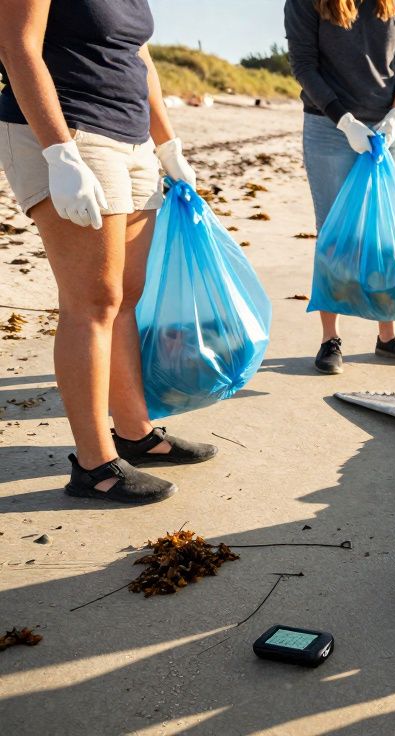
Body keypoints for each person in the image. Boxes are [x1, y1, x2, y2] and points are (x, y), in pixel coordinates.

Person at [0, 0, 217, 503]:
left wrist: (166, 144)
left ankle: (135, 433)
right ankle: (94, 464)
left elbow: (141, 60)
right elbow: (17, 46)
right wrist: (58, 151)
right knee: (92, 301)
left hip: (132, 139)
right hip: (69, 132)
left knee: (126, 297)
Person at [285, 0, 395, 374]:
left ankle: (387, 337)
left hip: (388, 129)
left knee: (385, 231)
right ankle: (330, 339)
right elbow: (304, 65)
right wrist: (344, 121)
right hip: (328, 127)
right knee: (334, 233)